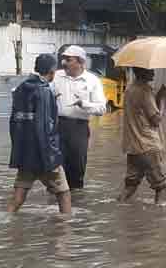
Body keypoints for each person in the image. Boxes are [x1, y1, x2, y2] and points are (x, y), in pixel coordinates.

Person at [8, 54, 71, 214]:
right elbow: (44, 127)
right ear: (52, 70)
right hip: (44, 154)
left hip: (25, 154)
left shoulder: (21, 88)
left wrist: (19, 153)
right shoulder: (43, 91)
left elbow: (15, 123)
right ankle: (66, 232)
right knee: (63, 193)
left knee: (18, 197)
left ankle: (7, 221)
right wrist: (52, 157)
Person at [51, 45, 106, 189]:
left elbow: (101, 109)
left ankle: (75, 202)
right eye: (64, 59)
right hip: (58, 126)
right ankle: (55, 203)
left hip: (79, 128)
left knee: (77, 167)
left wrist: (84, 104)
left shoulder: (92, 80)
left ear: (81, 62)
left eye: (69, 60)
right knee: (56, 168)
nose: (65, 63)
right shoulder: (56, 76)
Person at [118, 67, 166, 204]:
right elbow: (156, 120)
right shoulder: (144, 90)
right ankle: (160, 221)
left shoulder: (129, 89)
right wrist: (163, 100)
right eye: (150, 70)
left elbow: (141, 114)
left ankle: (119, 208)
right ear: (140, 71)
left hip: (133, 147)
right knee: (162, 186)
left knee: (130, 186)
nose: (153, 72)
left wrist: (156, 98)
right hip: (148, 146)